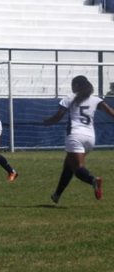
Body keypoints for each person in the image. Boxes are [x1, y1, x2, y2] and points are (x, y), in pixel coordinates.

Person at [43, 75, 114, 203]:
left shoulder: (70, 98)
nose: (71, 87)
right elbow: (111, 112)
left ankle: (93, 180)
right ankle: (57, 195)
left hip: (75, 135)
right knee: (68, 165)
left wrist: (47, 122)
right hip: (90, 138)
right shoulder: (95, 100)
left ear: (77, 86)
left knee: (78, 168)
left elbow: (59, 115)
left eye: (73, 84)